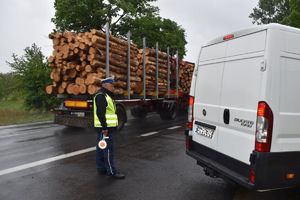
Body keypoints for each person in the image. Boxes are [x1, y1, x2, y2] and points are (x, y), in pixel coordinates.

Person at [94, 76, 125, 179]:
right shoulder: (101, 96)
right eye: (112, 85)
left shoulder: (106, 95)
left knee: (101, 148)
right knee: (108, 150)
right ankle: (111, 172)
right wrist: (105, 128)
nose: (113, 88)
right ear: (106, 85)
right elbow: (100, 113)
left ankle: (101, 169)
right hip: (105, 129)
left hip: (104, 128)